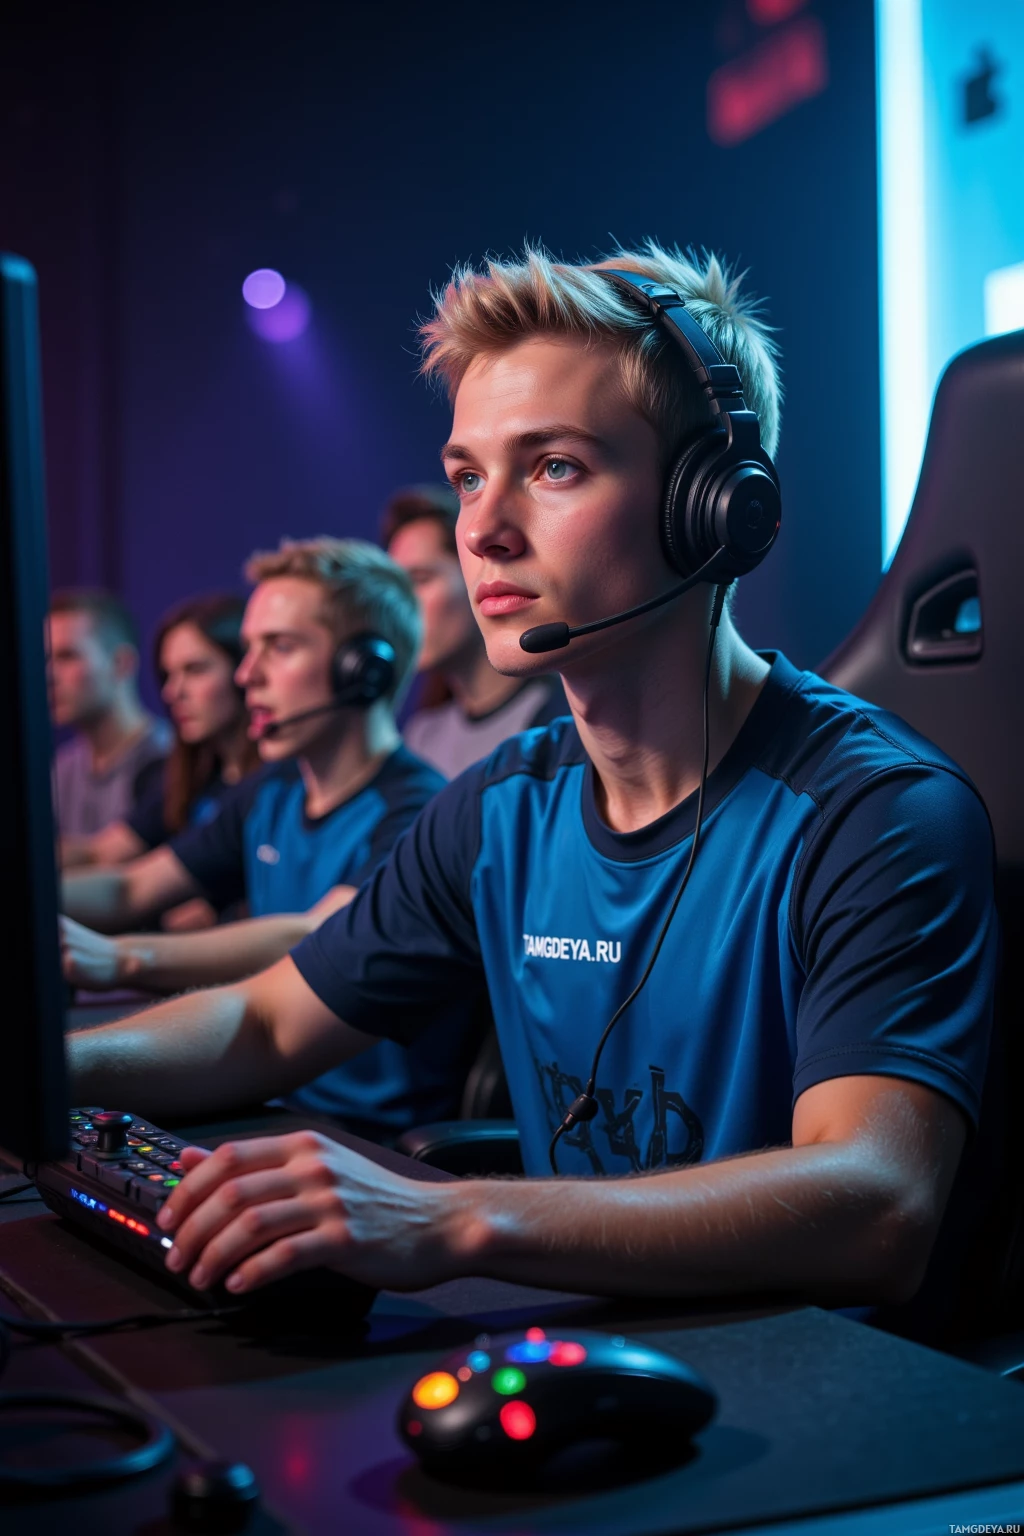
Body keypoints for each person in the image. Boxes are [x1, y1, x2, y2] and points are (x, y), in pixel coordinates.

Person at [68, 244, 996, 1325]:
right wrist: (44, 1066)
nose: (480, 528)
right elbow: (269, 1025)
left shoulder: (874, 813)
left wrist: (456, 1220)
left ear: (714, 507)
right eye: (469, 475)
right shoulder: (501, 806)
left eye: (553, 466)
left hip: (813, 1390)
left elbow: (878, 1205)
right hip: (585, 1346)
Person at [63, 537, 470, 1137]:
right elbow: (131, 890)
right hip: (265, 1102)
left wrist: (123, 956)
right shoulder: (270, 791)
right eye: (249, 648)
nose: (246, 674)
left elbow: (317, 934)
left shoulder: (418, 808)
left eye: (279, 647)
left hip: (364, 1134)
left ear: (364, 670)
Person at [59, 596, 261, 927]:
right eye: (168, 675)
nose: (173, 692)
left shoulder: (269, 786)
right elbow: (104, 856)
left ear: (243, 671)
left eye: (195, 670)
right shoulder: (190, 776)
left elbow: (141, 896)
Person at [384, 485, 566, 778]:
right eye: (396, 589)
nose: (401, 606)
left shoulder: (560, 719)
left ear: (479, 574)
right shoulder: (421, 738)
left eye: (420, 579)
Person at [49, 589, 172, 851]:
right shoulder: (61, 770)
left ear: (121, 663)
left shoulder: (169, 761)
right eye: (45, 660)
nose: (49, 675)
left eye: (67, 656)